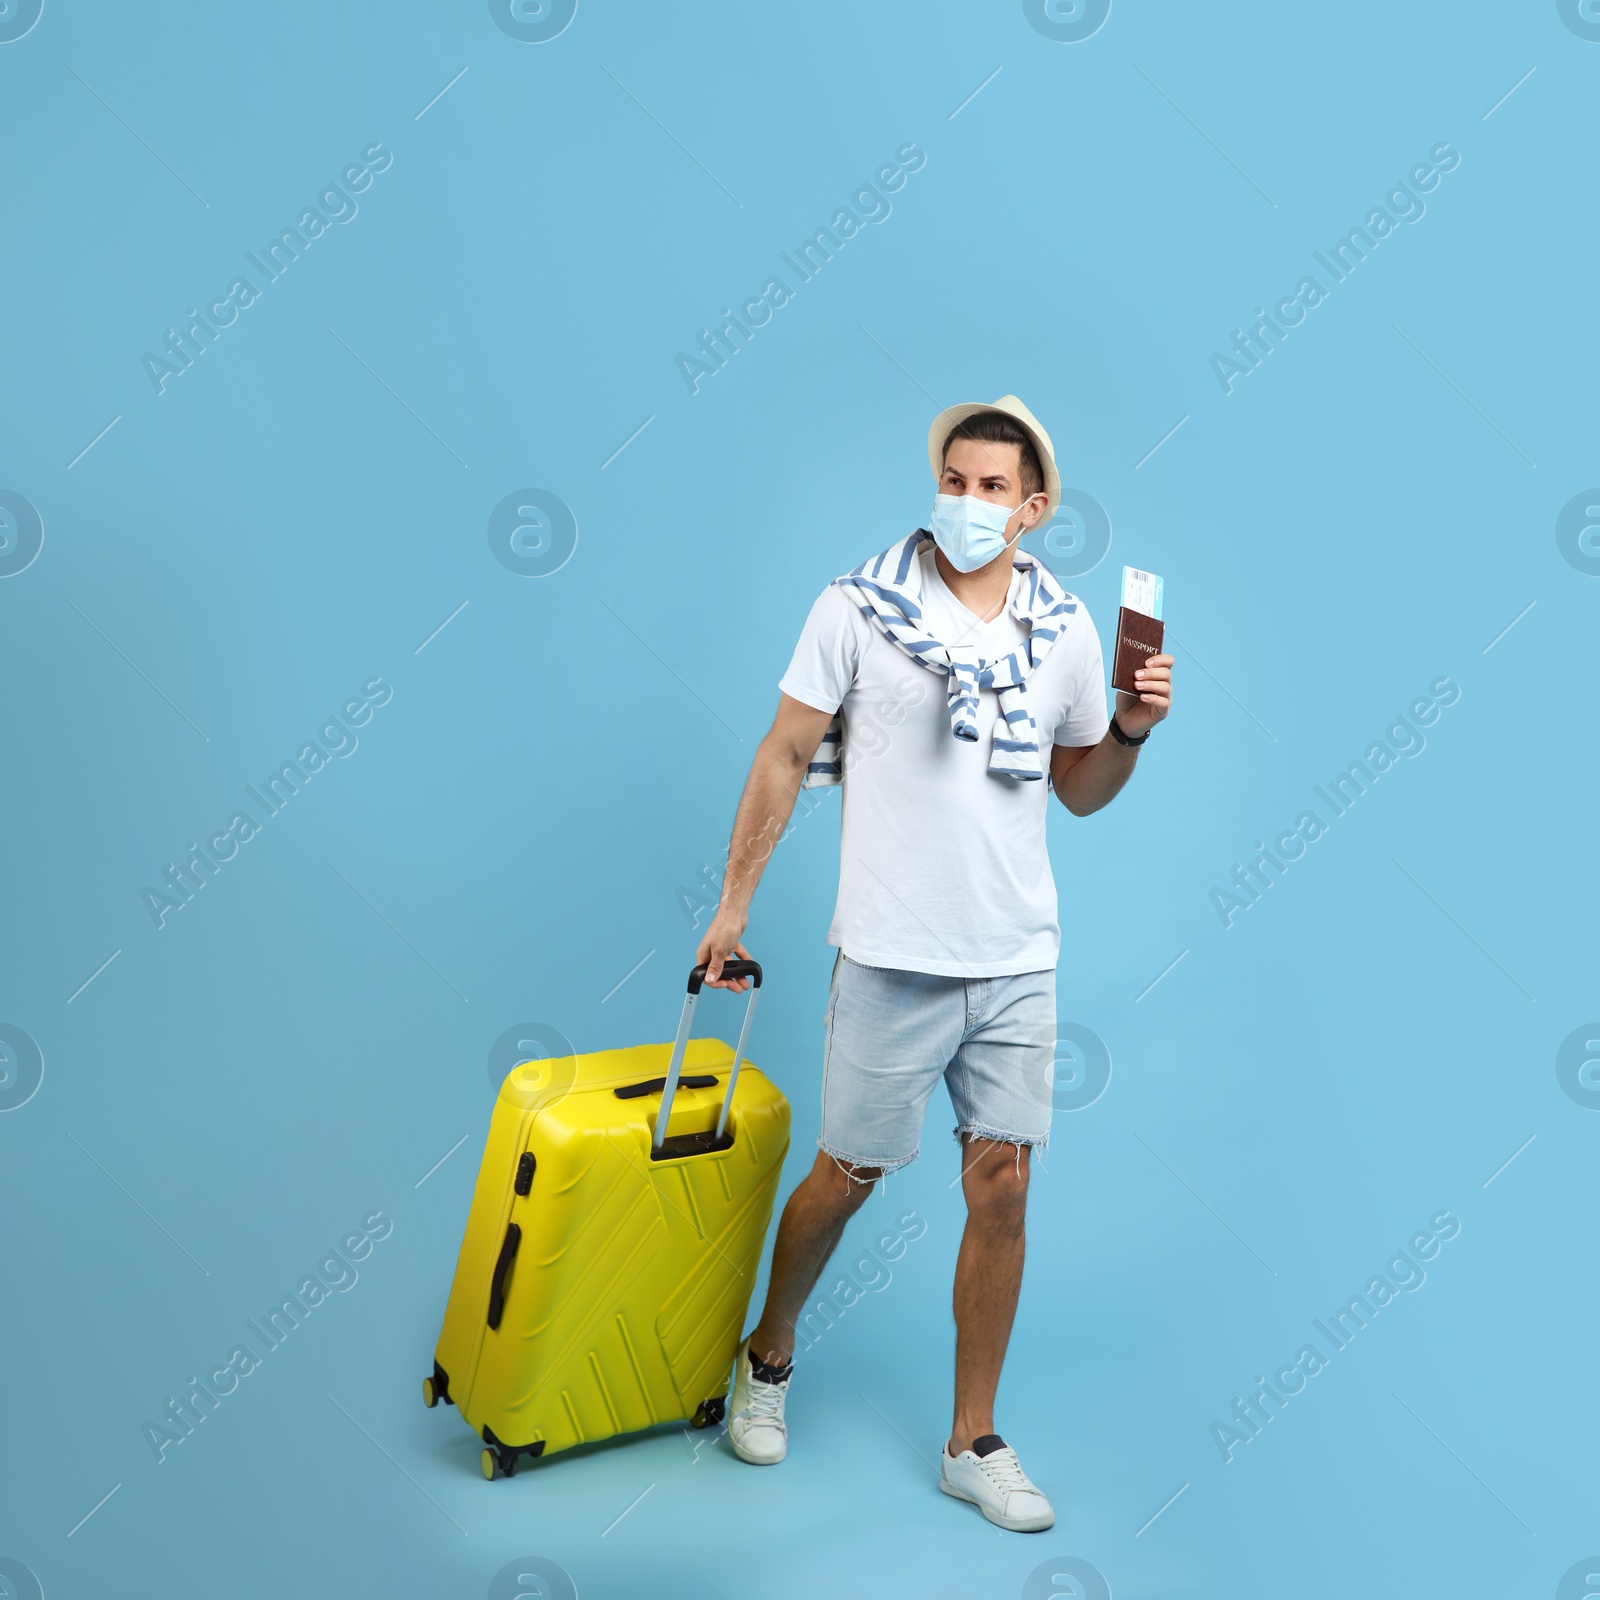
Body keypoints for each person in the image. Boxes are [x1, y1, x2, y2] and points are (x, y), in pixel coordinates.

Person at [695, 395, 1174, 1531]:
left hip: (1014, 956)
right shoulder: (855, 607)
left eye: (991, 486)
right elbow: (781, 753)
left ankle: (973, 1438)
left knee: (1002, 1181)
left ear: (1035, 507)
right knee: (845, 1176)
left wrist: (1132, 732)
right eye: (953, 479)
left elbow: (1079, 788)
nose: (965, 500)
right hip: (890, 950)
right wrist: (733, 907)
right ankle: (767, 1351)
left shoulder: (1058, 631)